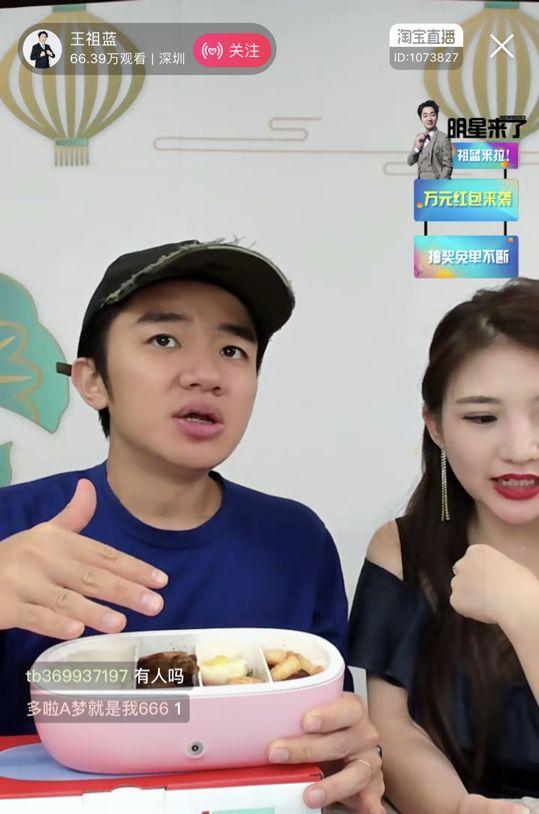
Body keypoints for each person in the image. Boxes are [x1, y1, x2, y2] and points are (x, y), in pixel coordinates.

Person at [0, 239, 383, 813]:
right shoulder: (13, 528)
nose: (207, 375)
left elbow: (326, 739)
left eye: (233, 350)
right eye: (164, 340)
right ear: (92, 380)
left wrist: (347, 762)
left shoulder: (296, 541)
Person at [349, 278, 539, 814]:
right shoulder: (403, 550)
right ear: (434, 426)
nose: (520, 448)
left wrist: (524, 612)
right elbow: (393, 727)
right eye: (482, 418)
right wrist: (458, 808)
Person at [407, 99, 453, 179]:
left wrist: (439, 185)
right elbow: (410, 162)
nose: (429, 119)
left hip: (436, 184)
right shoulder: (419, 137)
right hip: (421, 183)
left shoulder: (443, 138)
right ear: (421, 119)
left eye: (432, 115)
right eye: (425, 116)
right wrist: (417, 148)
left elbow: (448, 165)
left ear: (437, 117)